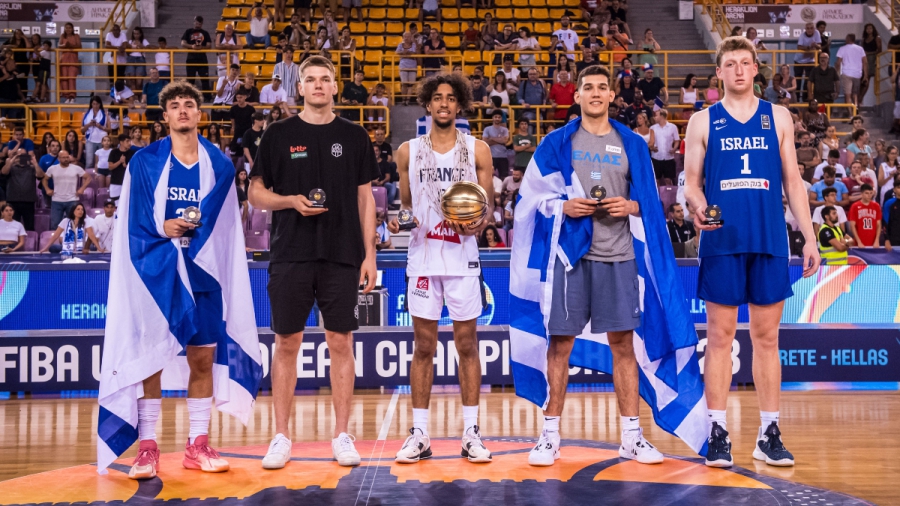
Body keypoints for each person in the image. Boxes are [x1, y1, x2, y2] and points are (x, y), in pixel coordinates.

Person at [511, 64, 707, 469]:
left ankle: (631, 438)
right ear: (577, 96)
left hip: (619, 257)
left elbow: (652, 204)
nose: (596, 93)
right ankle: (549, 436)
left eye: (603, 87)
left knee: (623, 346)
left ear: (612, 96)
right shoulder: (556, 142)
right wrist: (562, 206)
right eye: (588, 88)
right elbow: (527, 200)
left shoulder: (633, 143)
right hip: (570, 257)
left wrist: (631, 205)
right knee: (560, 345)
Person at [97, 80, 262, 479]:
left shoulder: (220, 165)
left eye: (190, 104)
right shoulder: (144, 162)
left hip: (203, 273)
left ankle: (197, 443)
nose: (183, 110)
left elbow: (225, 227)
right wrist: (161, 226)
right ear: (165, 116)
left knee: (202, 357)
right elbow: (131, 222)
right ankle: (148, 447)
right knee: (151, 358)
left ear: (199, 114)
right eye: (176, 106)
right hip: (157, 273)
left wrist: (191, 234)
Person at [683, 36, 820, 469]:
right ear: (719, 72)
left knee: (767, 339)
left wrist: (810, 236)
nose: (739, 70)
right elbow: (690, 182)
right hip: (722, 240)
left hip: (769, 239)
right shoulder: (702, 121)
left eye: (746, 63)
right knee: (719, 338)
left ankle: (768, 432)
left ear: (756, 68)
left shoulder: (778, 117)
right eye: (730, 64)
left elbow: (793, 181)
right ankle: (718, 431)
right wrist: (696, 203)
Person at [249, 56, 378, 470]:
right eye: (311, 80)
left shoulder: (355, 136)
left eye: (325, 79)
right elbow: (255, 193)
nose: (319, 85)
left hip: (342, 253)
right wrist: (289, 202)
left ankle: (342, 435)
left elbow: (365, 200)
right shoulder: (278, 134)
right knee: (287, 343)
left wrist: (370, 254)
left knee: (340, 342)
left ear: (335, 87)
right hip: (291, 252)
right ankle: (281, 436)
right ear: (299, 88)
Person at [386, 73, 494, 465]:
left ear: (459, 104)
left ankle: (471, 432)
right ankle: (420, 434)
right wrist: (399, 220)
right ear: (427, 105)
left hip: (463, 259)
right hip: (424, 259)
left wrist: (478, 221)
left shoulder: (478, 149)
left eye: (451, 98)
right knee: (424, 347)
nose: (444, 104)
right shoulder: (407, 151)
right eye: (437, 98)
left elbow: (488, 208)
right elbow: (406, 207)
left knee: (467, 345)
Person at [43, 150, 90, 231]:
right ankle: (57, 242)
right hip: (56, 200)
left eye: (67, 157)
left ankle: (72, 242)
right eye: (63, 157)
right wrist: (47, 189)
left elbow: (88, 177)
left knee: (73, 224)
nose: (66, 159)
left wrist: (82, 188)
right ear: (59, 158)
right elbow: (44, 179)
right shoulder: (52, 168)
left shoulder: (76, 168)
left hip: (72, 200)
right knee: (55, 225)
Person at [1, 149, 43, 230]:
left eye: (23, 155)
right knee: (12, 225)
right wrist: (12, 159)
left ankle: (29, 242)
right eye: (19, 155)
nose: (21, 157)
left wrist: (35, 163)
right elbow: (4, 172)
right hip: (13, 201)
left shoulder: (32, 168)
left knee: (29, 226)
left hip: (28, 201)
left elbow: (40, 175)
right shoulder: (11, 167)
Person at [181, 16, 213, 101]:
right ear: (193, 22)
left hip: (202, 58)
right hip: (191, 58)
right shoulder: (188, 31)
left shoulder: (205, 33)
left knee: (205, 79)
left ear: (202, 24)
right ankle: (189, 97)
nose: (197, 24)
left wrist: (201, 48)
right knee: (190, 79)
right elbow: (183, 43)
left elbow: (209, 45)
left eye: (199, 23)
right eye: (196, 22)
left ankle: (207, 97)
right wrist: (192, 46)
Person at [836, 34, 867, 108]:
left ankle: (850, 114)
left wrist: (837, 73)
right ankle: (855, 108)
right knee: (855, 94)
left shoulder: (842, 48)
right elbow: (865, 62)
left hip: (847, 73)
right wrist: (865, 75)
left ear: (847, 39)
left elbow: (838, 62)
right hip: (857, 74)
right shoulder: (860, 49)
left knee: (848, 95)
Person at [794, 23, 821, 102]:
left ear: (814, 29)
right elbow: (799, 47)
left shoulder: (817, 33)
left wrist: (815, 45)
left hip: (810, 60)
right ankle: (797, 99)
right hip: (799, 60)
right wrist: (809, 47)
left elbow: (819, 46)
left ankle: (806, 100)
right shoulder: (802, 35)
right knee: (798, 80)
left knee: (808, 81)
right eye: (808, 28)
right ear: (805, 29)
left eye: (811, 28)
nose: (809, 30)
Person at [649, 109, 678, 182]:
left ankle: (669, 194)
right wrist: (652, 148)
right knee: (656, 181)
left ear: (662, 116)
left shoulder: (673, 127)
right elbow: (650, 142)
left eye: (656, 115)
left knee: (668, 180)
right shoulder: (652, 128)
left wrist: (674, 149)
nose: (654, 117)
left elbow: (677, 140)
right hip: (656, 157)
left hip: (669, 158)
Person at [58, 22, 82, 104]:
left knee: (71, 78)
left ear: (72, 29)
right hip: (64, 59)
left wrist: (70, 45)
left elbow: (79, 46)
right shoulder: (62, 36)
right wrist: (65, 45)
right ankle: (66, 96)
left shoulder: (76, 36)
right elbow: (59, 45)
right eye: (66, 28)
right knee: (64, 78)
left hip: (73, 59)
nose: (68, 29)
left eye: (69, 28)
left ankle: (72, 96)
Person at [482, 111, 510, 179]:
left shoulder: (505, 130)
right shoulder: (487, 129)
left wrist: (491, 138)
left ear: (501, 118)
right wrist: (500, 140)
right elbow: (485, 141)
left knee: (504, 177)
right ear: (493, 118)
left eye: (499, 117)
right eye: (496, 117)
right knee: (489, 177)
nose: (497, 119)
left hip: (503, 157)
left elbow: (505, 140)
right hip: (491, 157)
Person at [108, 134, 135, 201]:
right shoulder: (114, 152)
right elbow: (110, 167)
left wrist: (125, 165)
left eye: (130, 141)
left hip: (128, 183)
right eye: (127, 141)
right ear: (121, 142)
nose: (129, 143)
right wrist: (120, 161)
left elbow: (134, 168)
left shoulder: (132, 153)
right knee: (115, 206)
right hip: (115, 183)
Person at [396, 32, 418, 105]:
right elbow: (397, 53)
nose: (406, 38)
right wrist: (405, 53)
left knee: (410, 84)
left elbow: (416, 53)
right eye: (405, 36)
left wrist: (405, 54)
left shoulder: (414, 45)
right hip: (403, 66)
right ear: (403, 37)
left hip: (412, 66)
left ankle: (408, 100)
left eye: (408, 36)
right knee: (404, 83)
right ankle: (403, 99)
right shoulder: (400, 45)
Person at [883, 181, 900, 252]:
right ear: (894, 189)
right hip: (894, 238)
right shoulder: (889, 203)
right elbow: (885, 222)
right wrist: (886, 239)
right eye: (899, 187)